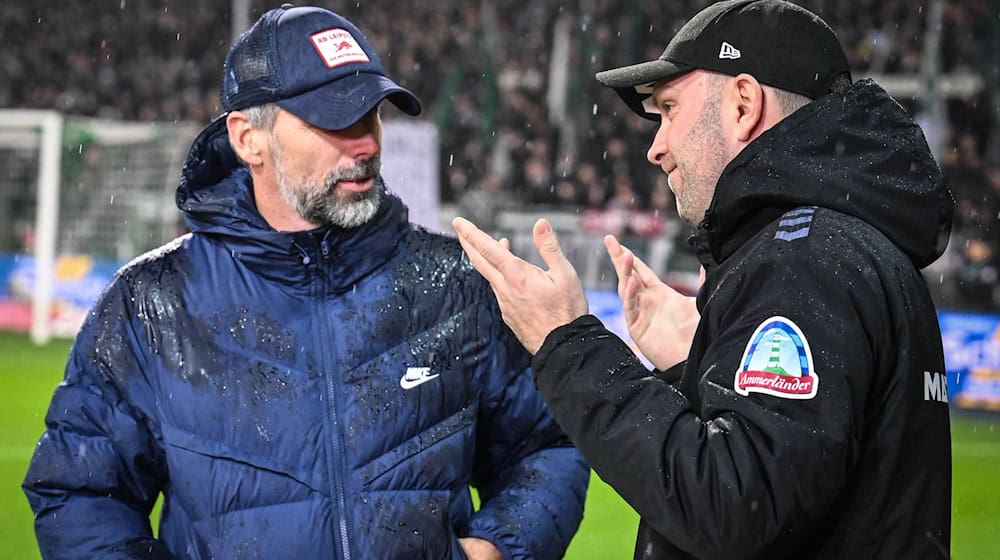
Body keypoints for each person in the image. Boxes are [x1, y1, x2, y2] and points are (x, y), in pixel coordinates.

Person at [23, 6, 588, 559]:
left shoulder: (456, 285)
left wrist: (499, 546)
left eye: (371, 114)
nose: (366, 143)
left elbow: (546, 446)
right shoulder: (151, 303)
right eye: (334, 119)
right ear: (249, 139)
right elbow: (81, 491)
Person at [452, 0, 953, 558]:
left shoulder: (803, 259)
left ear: (743, 104)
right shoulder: (852, 247)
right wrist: (691, 370)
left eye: (669, 109)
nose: (655, 146)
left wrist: (566, 343)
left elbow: (732, 509)